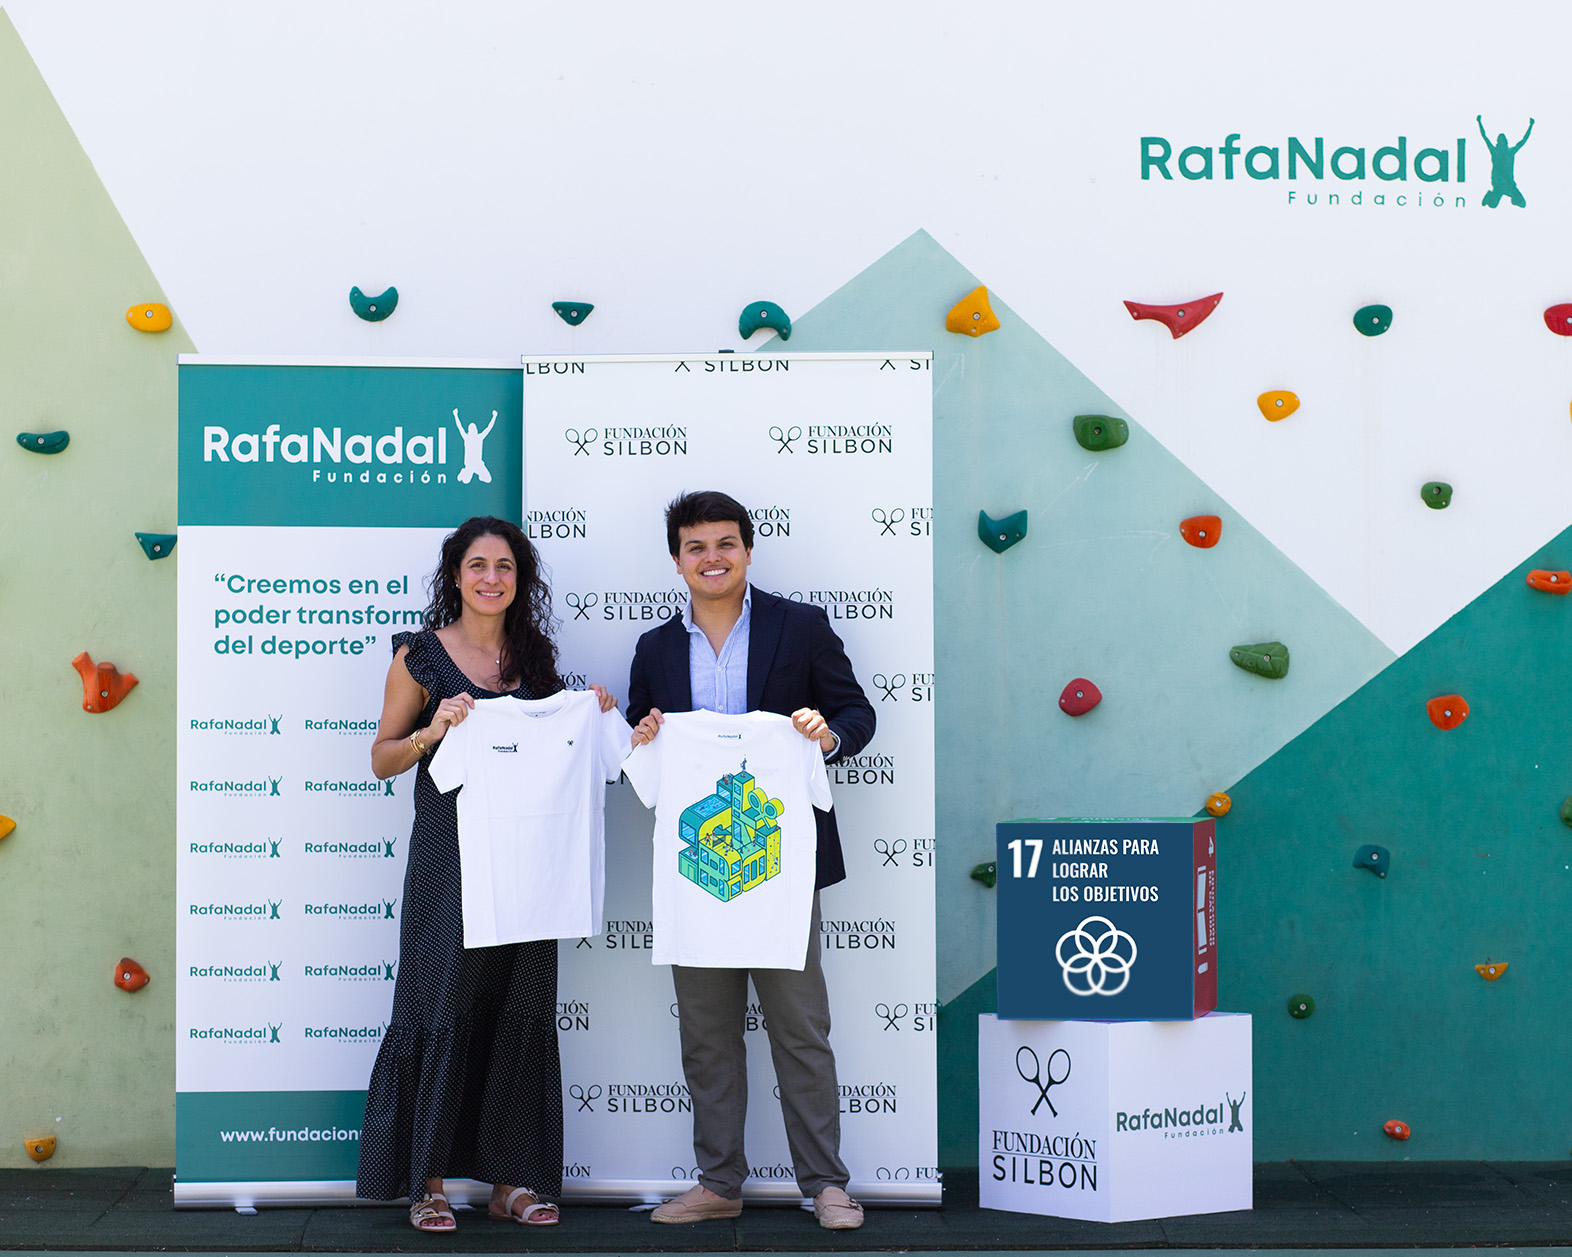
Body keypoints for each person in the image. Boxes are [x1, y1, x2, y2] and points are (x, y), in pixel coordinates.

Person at [355, 515, 615, 1232]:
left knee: (518, 1005)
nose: (492, 578)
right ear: (456, 574)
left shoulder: (535, 663)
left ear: (519, 579)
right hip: (451, 864)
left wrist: (591, 713)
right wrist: (431, 732)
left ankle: (512, 1181)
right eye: (478, 565)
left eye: (505, 566)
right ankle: (427, 1181)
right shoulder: (418, 658)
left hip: (532, 868)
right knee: (442, 1004)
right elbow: (380, 758)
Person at [626, 490, 875, 1230]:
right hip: (697, 870)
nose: (713, 558)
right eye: (697, 547)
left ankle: (826, 1183)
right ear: (677, 560)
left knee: (800, 1029)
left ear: (748, 549)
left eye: (726, 543)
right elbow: (639, 738)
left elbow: (858, 713)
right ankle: (718, 1182)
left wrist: (826, 734)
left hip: (783, 866)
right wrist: (643, 734)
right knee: (707, 1037)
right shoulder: (655, 649)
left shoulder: (801, 626)